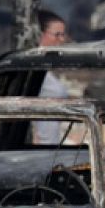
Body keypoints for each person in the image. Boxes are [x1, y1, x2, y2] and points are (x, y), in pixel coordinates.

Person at [32, 9, 71, 144]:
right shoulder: (32, 71)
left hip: (51, 147)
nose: (62, 39)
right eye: (57, 35)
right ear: (40, 35)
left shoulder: (47, 71)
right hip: (39, 149)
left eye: (63, 34)